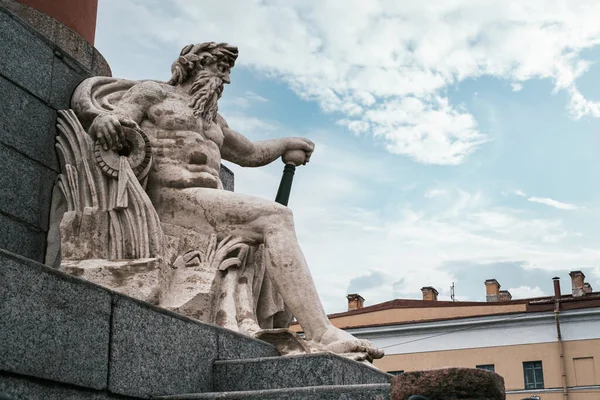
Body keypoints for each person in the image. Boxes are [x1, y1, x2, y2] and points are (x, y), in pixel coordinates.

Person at [72, 42, 383, 360]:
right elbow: (113, 119)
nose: (226, 81)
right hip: (170, 200)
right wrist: (101, 121)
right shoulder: (153, 94)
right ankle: (322, 333)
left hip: (207, 203)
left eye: (228, 72)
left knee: (271, 219)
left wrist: (286, 143)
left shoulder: (214, 122)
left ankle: (315, 330)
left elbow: (249, 153)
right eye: (219, 70)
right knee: (275, 217)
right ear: (192, 66)